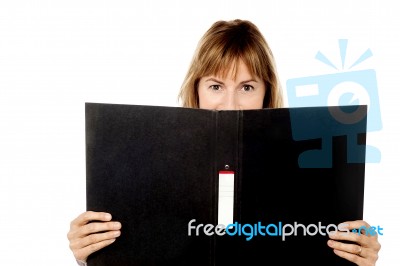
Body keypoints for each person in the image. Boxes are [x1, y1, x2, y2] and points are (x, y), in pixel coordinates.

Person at [67, 19, 381, 266]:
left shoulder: (309, 169)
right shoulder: (152, 162)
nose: (230, 104)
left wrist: (357, 260)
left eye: (246, 87)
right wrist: (91, 256)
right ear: (197, 89)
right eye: (216, 85)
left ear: (266, 93)